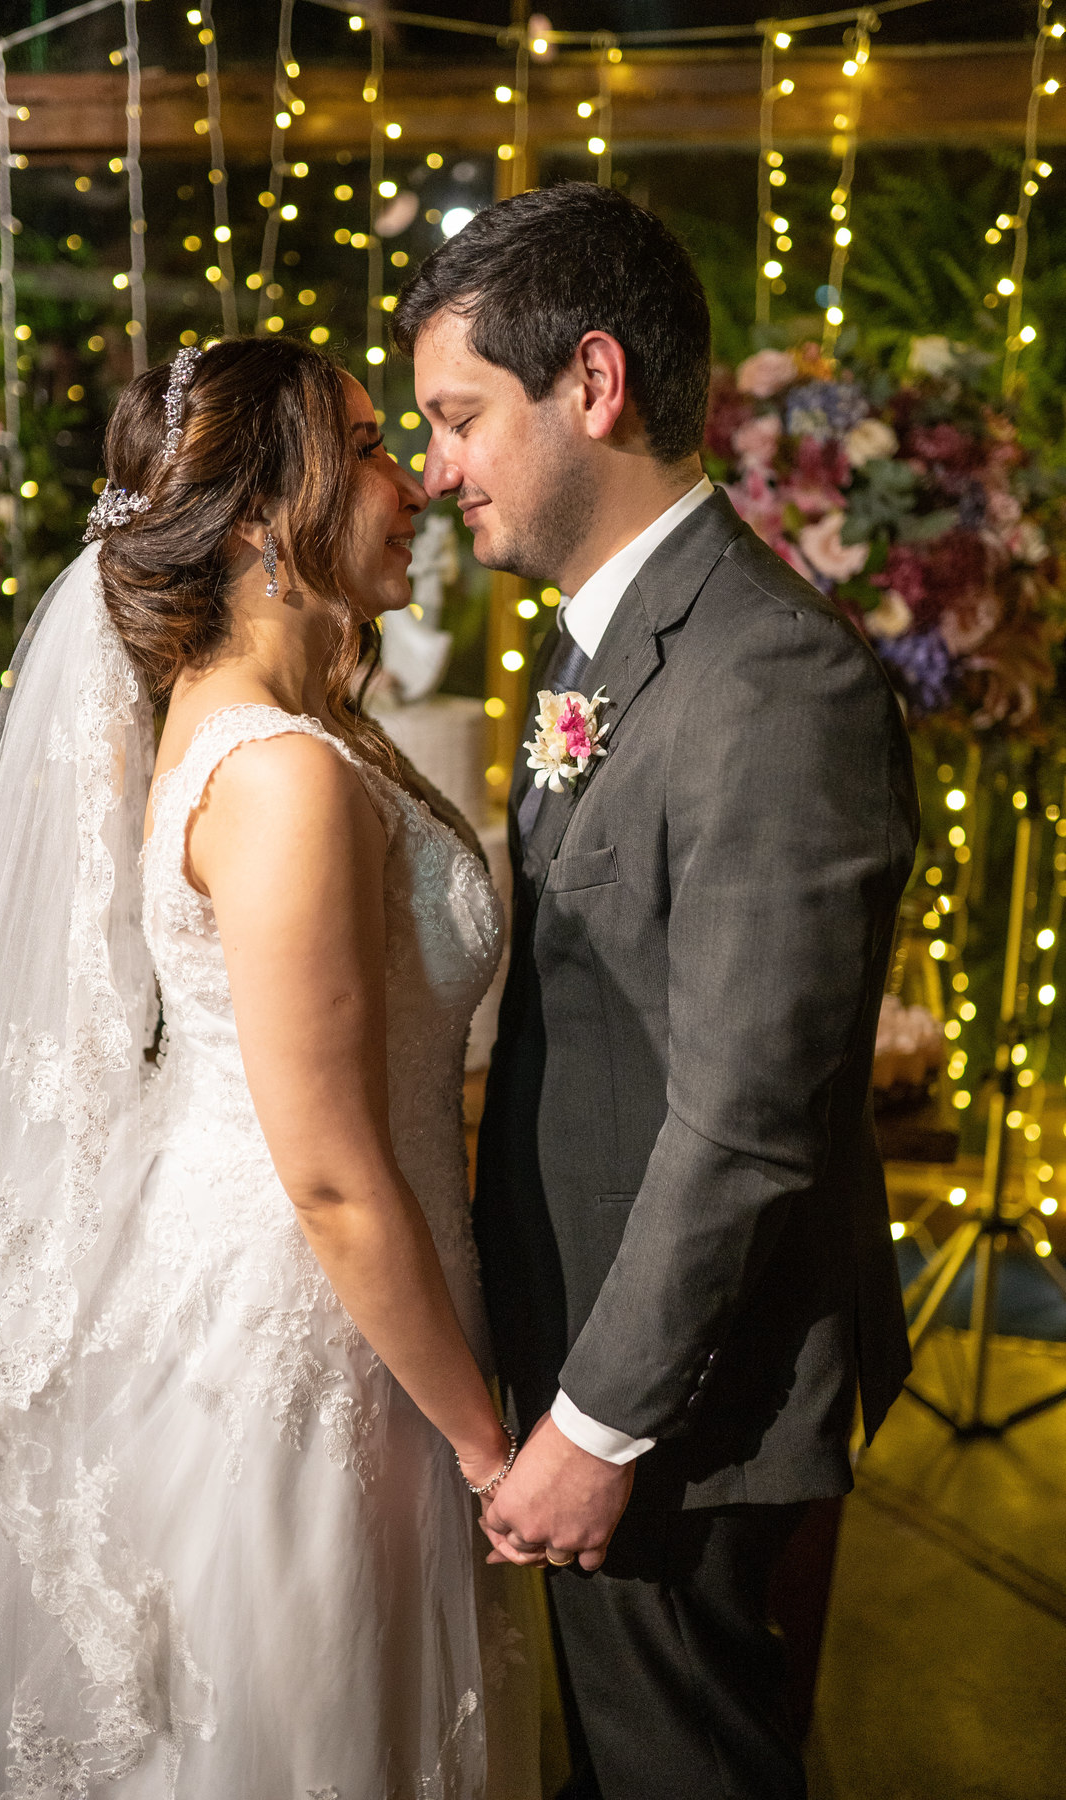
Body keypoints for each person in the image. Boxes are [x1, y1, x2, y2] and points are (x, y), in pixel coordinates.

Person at [0, 339, 541, 1798]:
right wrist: (491, 1450)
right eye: (368, 448)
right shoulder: (285, 774)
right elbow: (330, 1171)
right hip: (311, 1325)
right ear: (255, 515)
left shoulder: (307, 732)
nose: (411, 480)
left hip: (348, 1301)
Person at [393, 182, 919, 1800]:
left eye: (462, 417)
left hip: (692, 1406)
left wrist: (599, 1425)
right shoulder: (602, 650)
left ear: (593, 385)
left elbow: (749, 1118)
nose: (437, 468)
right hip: (607, 1362)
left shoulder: (772, 678)